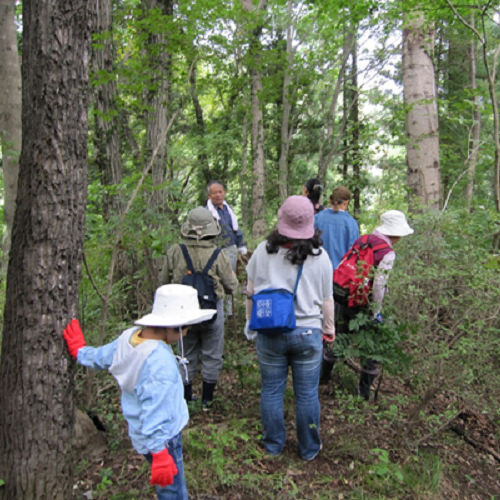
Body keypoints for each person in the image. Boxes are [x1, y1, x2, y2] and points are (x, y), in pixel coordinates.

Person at [62, 284, 217, 500]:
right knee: (173, 490)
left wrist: (81, 352)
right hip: (163, 438)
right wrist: (160, 452)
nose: (187, 332)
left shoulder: (130, 337)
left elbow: (103, 356)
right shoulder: (159, 363)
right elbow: (155, 410)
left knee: (170, 487)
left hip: (141, 433)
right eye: (186, 327)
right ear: (173, 326)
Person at [245, 195, 335, 460]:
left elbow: (249, 292)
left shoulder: (263, 250)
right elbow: (327, 299)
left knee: (271, 390)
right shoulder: (320, 256)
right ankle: (308, 448)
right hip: (308, 332)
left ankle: (273, 445)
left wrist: (250, 326)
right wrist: (328, 329)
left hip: (270, 330)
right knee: (307, 395)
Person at [329, 210, 414, 400]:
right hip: (363, 302)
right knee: (371, 350)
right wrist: (376, 313)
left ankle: (323, 379)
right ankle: (364, 395)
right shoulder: (387, 252)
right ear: (396, 233)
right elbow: (379, 286)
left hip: (346, 295)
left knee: (340, 338)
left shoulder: (364, 238)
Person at [161, 207, 238, 408]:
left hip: (182, 312)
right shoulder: (218, 254)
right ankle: (207, 400)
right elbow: (231, 286)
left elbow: (163, 283)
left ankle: (185, 398)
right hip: (212, 310)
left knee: (185, 353)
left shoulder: (175, 252)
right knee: (213, 353)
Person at [314, 186, 360, 269]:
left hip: (318, 270)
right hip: (340, 274)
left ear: (330, 200)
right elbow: (354, 253)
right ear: (346, 202)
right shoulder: (351, 224)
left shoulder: (318, 218)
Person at [206, 180, 247, 271]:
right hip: (217, 251)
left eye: (220, 192)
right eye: (214, 193)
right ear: (209, 196)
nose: (218, 195)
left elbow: (235, 228)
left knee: (233, 276)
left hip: (232, 248)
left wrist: (241, 245)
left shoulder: (228, 208)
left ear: (224, 192)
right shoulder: (207, 212)